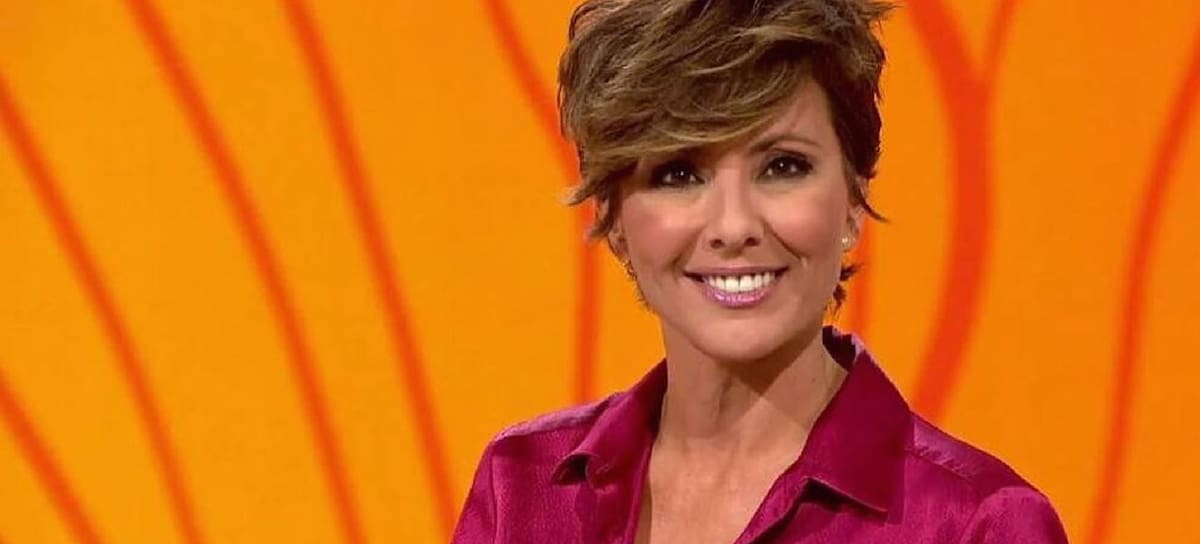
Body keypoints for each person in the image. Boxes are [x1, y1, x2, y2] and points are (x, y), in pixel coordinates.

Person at [453, 0, 1069, 542]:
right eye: (678, 173)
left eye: (782, 166)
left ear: (853, 200)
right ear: (613, 219)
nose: (733, 225)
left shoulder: (979, 526)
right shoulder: (522, 490)